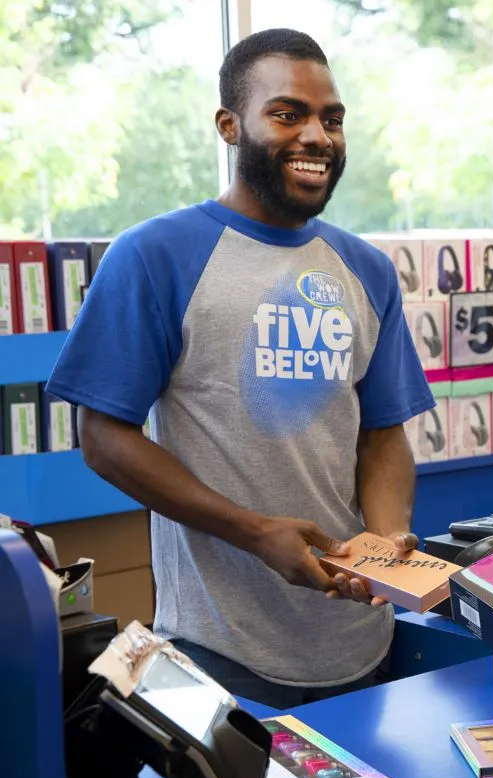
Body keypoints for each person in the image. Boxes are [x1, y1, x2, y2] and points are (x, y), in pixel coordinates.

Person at [45, 29, 435, 708]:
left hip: (361, 643)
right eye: (288, 114)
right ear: (230, 126)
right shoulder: (153, 256)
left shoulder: (367, 270)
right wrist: (255, 533)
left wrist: (385, 534)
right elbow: (104, 439)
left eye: (331, 119)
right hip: (221, 652)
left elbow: (382, 432)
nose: (317, 135)